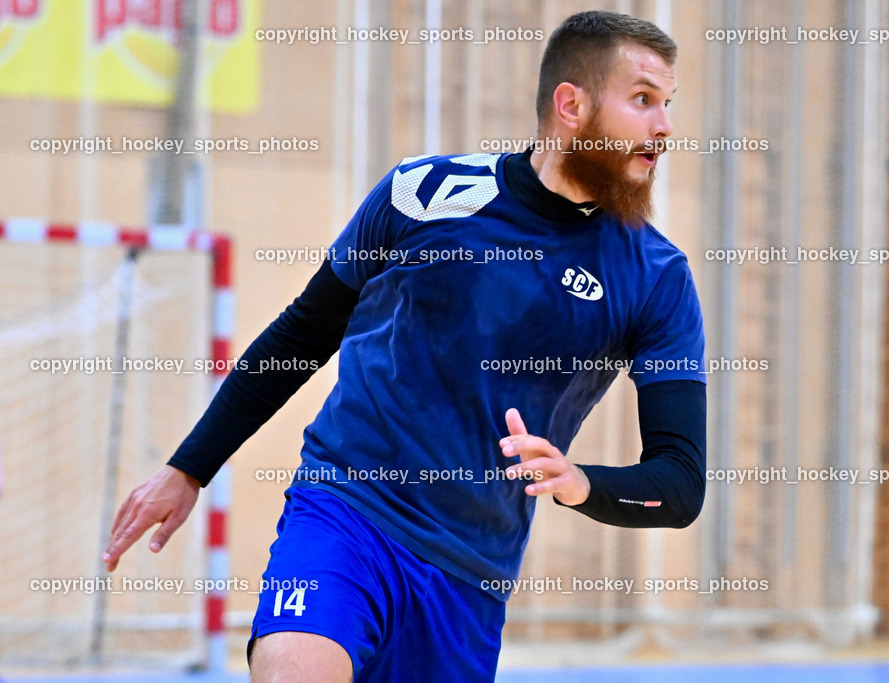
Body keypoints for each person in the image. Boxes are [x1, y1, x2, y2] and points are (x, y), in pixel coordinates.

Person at [103, 10, 707, 682]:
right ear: (572, 105)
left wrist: (580, 482)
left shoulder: (656, 276)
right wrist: (189, 467)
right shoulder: (424, 195)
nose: (664, 128)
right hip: (346, 510)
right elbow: (303, 333)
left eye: (668, 105)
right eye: (644, 100)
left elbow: (680, 484)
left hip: (468, 577)